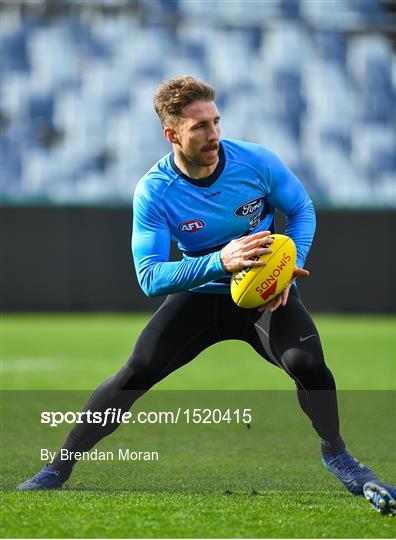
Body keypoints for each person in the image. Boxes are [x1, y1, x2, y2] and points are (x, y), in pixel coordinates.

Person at [17, 76, 395, 515]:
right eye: (199, 127)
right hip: (201, 294)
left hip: (262, 295)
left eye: (215, 122)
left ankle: (336, 454)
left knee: (309, 365)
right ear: (171, 133)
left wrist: (290, 268)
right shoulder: (155, 190)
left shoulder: (256, 162)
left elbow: (301, 209)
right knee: (136, 372)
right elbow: (150, 277)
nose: (213, 134)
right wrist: (221, 260)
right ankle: (58, 468)